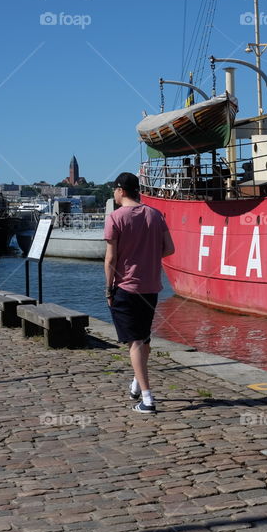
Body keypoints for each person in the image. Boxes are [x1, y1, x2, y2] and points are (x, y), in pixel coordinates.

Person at [104, 172, 174, 414]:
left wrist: (108, 288)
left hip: (126, 287)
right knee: (143, 338)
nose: (113, 194)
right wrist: (149, 258)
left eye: (114, 189)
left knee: (134, 342)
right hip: (151, 286)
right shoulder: (155, 215)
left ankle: (147, 399)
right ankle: (136, 382)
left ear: (121, 190)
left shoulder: (115, 217)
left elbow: (111, 259)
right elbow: (169, 248)